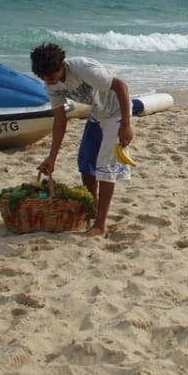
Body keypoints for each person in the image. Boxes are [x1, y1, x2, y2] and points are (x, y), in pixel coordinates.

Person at [31, 43, 133, 238]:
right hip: (98, 112)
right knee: (86, 163)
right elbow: (60, 119)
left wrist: (126, 125)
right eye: (44, 78)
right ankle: (91, 210)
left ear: (62, 65)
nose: (49, 82)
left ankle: (100, 225)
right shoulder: (51, 83)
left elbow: (121, 86)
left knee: (105, 167)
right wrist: (52, 158)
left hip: (117, 112)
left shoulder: (84, 69)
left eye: (52, 77)